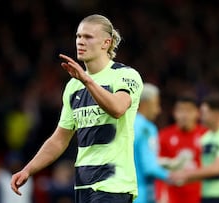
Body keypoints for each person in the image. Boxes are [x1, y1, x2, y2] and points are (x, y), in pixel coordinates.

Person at [11, 14, 143, 203]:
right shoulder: (74, 86)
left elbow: (118, 108)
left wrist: (87, 80)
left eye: (88, 37)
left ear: (106, 43)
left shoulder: (125, 75)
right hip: (83, 184)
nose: (80, 42)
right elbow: (59, 139)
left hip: (114, 183)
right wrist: (28, 169)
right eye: (78, 36)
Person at [171, 93, 219, 203]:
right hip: (207, 196)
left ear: (217, 115)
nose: (200, 116)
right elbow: (203, 168)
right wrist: (178, 177)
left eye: (204, 113)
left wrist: (185, 175)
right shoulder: (206, 138)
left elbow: (217, 168)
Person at [156, 94, 208, 203]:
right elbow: (157, 167)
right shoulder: (164, 136)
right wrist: (160, 194)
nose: (185, 115)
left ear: (197, 113)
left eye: (189, 111)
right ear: (174, 113)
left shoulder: (206, 136)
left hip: (201, 196)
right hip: (172, 197)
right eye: (181, 111)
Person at [133, 83, 172, 203]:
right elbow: (149, 167)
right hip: (142, 193)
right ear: (145, 104)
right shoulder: (147, 128)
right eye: (156, 104)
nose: (158, 110)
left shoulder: (128, 124)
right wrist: (172, 176)